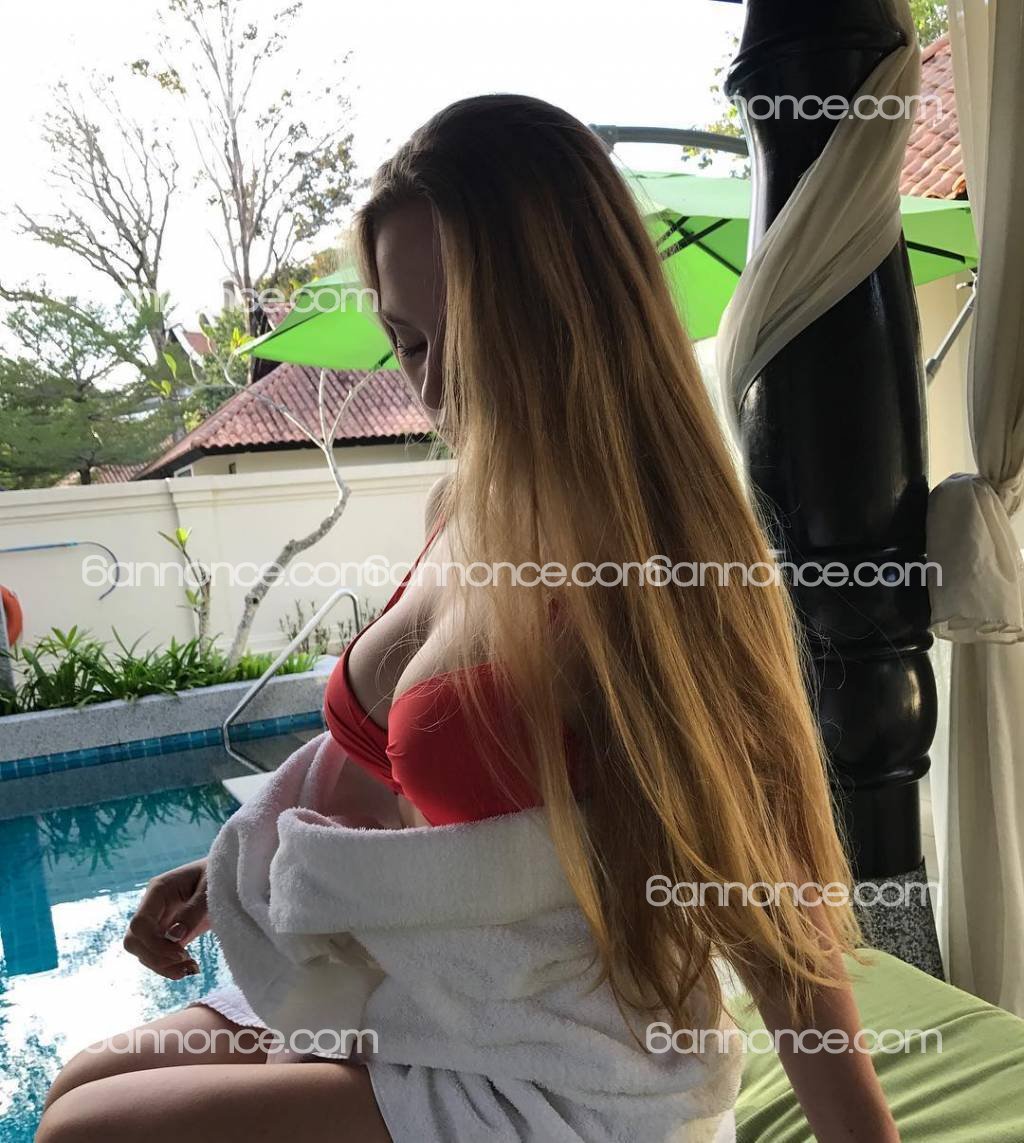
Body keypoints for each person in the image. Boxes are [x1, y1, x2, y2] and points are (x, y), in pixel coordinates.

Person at [37, 94, 899, 1142]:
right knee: (80, 1082)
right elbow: (386, 776)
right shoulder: (462, 510)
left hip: (567, 1064)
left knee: (91, 1132)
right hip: (433, 990)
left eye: (474, 336)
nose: (439, 385)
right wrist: (243, 870)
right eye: (408, 342)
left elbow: (772, 898)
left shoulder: (656, 568)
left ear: (573, 315)